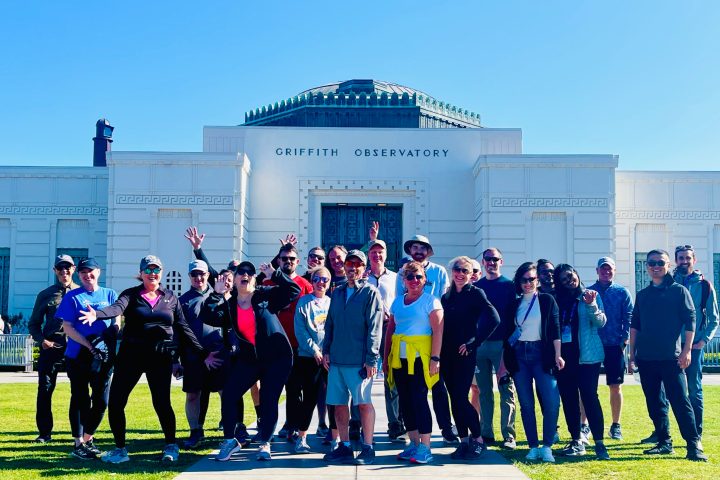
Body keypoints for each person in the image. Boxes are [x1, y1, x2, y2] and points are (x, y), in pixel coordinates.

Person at [79, 255, 222, 464]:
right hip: (130, 357)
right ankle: (120, 449)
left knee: (162, 402)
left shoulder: (170, 298)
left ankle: (171, 446)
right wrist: (98, 314)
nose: (152, 274)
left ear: (161, 273)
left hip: (159, 357)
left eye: (156, 270)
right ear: (141, 273)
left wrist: (203, 353)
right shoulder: (131, 294)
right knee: (117, 402)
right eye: (148, 270)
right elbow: (116, 308)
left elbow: (183, 328)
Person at [203, 260, 301, 461]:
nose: (245, 275)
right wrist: (216, 293)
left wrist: (275, 275)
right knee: (229, 394)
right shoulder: (229, 305)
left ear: (254, 279)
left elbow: (293, 290)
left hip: (277, 358)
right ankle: (230, 441)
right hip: (251, 359)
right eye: (241, 272)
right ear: (235, 279)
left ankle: (265, 443)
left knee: (268, 398)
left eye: (249, 272)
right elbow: (208, 316)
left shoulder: (265, 296)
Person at [629, 249, 708, 461]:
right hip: (646, 359)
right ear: (647, 267)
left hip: (671, 358)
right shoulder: (643, 295)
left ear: (667, 265)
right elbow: (635, 325)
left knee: (681, 401)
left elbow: (690, 322)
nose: (656, 266)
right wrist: (631, 354)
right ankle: (664, 442)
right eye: (652, 263)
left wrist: (687, 350)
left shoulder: (679, 291)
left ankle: (694, 444)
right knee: (655, 403)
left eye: (660, 263)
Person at [322, 250, 383, 465]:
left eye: (358, 264)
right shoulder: (337, 292)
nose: (353, 267)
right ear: (344, 266)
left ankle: (368, 447)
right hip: (337, 360)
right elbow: (330, 323)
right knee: (339, 405)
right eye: (350, 263)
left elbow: (375, 329)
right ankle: (345, 446)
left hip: (359, 361)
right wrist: (326, 350)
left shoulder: (371, 293)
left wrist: (371, 360)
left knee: (363, 404)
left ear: (364, 268)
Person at [395, 234, 457, 444]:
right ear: (410, 251)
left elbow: (444, 299)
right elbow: (400, 303)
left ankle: (446, 427)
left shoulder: (438, 272)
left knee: (438, 387)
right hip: (409, 340)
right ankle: (411, 432)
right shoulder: (401, 274)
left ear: (428, 251)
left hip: (434, 333)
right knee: (410, 392)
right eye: (415, 247)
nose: (419, 251)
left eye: (423, 248)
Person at [55, 258, 118, 460]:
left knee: (101, 400)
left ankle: (88, 438)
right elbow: (67, 327)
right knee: (80, 398)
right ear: (78, 274)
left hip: (103, 356)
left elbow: (116, 320)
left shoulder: (109, 294)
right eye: (82, 272)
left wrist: (106, 339)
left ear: (98, 272)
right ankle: (78, 443)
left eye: (90, 271)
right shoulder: (73, 297)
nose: (86, 275)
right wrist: (89, 344)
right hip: (78, 355)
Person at [502, 262, 563, 463]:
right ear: (518, 282)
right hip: (519, 355)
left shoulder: (547, 300)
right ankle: (533, 446)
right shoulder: (514, 304)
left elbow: (555, 329)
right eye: (524, 280)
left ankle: (547, 446)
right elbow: (507, 335)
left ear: (538, 280)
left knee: (552, 401)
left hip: (541, 354)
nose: (528, 283)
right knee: (526, 404)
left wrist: (558, 355)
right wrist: (504, 363)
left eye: (532, 279)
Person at [384, 261, 443, 464]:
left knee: (419, 400)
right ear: (404, 281)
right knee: (405, 402)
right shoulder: (397, 302)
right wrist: (386, 359)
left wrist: (435, 358)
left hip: (420, 359)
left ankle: (426, 447)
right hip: (399, 360)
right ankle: (414, 443)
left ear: (425, 279)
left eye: (418, 276)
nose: (414, 280)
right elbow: (390, 332)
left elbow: (438, 331)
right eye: (410, 277)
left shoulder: (431, 301)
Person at [441, 256, 500, 460]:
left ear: (471, 275)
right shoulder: (447, 296)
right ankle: (464, 442)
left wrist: (474, 342)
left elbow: (494, 318)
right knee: (454, 400)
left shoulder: (476, 293)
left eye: (465, 271)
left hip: (465, 354)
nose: (460, 274)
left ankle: (479, 440)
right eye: (457, 269)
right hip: (446, 354)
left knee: (460, 398)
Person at [553, 264, 610, 460]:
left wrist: (591, 305)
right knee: (568, 399)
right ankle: (576, 440)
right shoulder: (556, 299)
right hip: (564, 357)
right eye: (564, 279)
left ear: (576, 273)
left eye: (571, 275)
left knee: (589, 397)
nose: (570, 280)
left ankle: (600, 443)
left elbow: (601, 322)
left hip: (587, 357)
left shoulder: (590, 295)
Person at [264, 242, 313, 441]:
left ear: (297, 262)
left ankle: (291, 426)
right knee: (272, 389)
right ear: (279, 260)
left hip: (297, 345)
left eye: (292, 259)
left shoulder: (305, 285)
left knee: (294, 390)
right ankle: (266, 426)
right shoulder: (269, 283)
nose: (288, 262)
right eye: (284, 259)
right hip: (274, 345)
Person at [178, 260, 229, 449]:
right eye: (194, 274)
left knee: (226, 393)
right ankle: (195, 431)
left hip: (218, 355)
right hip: (193, 357)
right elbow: (178, 333)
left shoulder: (219, 295)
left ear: (208, 275)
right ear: (190, 276)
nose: (198, 278)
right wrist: (175, 362)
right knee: (193, 395)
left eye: (202, 274)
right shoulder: (183, 300)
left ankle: (230, 430)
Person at [28, 254, 78, 443]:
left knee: (78, 391)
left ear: (73, 269)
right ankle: (44, 433)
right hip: (51, 348)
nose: (64, 271)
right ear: (55, 271)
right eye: (60, 268)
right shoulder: (46, 294)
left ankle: (78, 434)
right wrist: (42, 341)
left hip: (74, 348)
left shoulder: (81, 293)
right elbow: (34, 324)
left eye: (68, 268)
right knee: (45, 390)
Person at [674, 245, 719, 442]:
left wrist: (703, 340)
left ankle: (695, 434)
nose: (684, 261)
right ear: (676, 260)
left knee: (694, 389)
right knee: (667, 390)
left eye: (687, 258)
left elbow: (714, 318)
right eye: (681, 258)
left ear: (694, 260)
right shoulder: (668, 283)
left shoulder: (705, 286)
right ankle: (661, 433)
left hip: (694, 347)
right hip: (671, 345)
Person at [474, 248, 518, 448]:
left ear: (502, 261)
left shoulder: (510, 286)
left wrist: (508, 348)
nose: (491, 262)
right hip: (481, 345)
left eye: (495, 259)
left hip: (502, 345)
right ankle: (486, 433)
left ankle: (509, 435)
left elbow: (513, 319)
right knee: (484, 391)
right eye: (488, 259)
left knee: (506, 390)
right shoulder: (477, 287)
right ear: (482, 262)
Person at [588, 257, 633, 441]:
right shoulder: (589, 292)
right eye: (603, 269)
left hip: (615, 345)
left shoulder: (622, 292)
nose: (606, 272)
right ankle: (585, 425)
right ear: (597, 270)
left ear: (614, 270)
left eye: (610, 269)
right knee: (588, 387)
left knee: (615, 386)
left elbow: (629, 317)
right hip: (592, 346)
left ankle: (616, 425)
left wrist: (624, 340)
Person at [366, 235, 405, 442]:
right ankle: (358, 423)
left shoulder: (396, 277)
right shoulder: (364, 277)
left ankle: (395, 424)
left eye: (380, 252)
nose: (377, 255)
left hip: (390, 329)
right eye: (373, 252)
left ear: (386, 255)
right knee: (363, 376)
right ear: (368, 255)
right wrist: (371, 239)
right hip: (367, 331)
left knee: (391, 378)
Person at [293, 266, 333, 453]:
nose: (320, 283)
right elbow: (300, 330)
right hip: (308, 358)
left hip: (329, 359)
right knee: (309, 398)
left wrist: (327, 352)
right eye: (317, 279)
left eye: (324, 279)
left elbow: (335, 330)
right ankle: (301, 437)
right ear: (312, 281)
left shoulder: (332, 303)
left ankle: (335, 437)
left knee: (333, 399)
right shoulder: (303, 302)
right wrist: (315, 350)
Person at [468, 260, 483, 415]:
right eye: (468, 270)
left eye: (475, 271)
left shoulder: (482, 294)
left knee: (477, 388)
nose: (472, 274)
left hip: (481, 347)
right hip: (463, 348)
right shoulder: (454, 293)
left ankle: (476, 421)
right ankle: (462, 423)